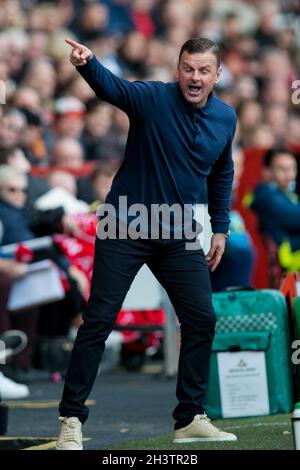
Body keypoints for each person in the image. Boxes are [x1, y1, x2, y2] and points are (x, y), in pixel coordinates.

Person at [56, 36, 237, 450]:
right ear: (178, 69)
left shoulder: (226, 118)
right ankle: (71, 419)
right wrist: (88, 64)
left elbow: (222, 174)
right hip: (125, 226)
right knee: (99, 321)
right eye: (188, 68)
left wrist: (220, 228)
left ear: (217, 75)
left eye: (204, 70)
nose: (195, 77)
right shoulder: (152, 98)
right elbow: (112, 88)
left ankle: (190, 417)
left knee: (202, 319)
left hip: (177, 231)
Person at [251, 147, 300, 272]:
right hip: (288, 261)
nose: (289, 174)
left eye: (292, 168)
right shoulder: (268, 198)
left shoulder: (286, 194)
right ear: (267, 172)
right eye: (282, 169)